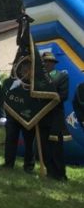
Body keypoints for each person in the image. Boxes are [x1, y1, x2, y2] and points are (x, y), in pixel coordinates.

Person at [39, 52, 70, 180]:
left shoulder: (61, 76)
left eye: (48, 61)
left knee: (56, 147)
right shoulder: (38, 78)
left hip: (55, 117)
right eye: (44, 62)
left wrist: (45, 98)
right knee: (44, 146)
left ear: (53, 63)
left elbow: (63, 96)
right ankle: (50, 172)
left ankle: (60, 174)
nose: (46, 64)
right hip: (41, 117)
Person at [2, 58, 35, 173]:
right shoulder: (8, 82)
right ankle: (8, 164)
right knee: (10, 140)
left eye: (28, 68)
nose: (26, 71)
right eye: (23, 69)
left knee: (29, 142)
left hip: (29, 117)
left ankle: (29, 166)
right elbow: (4, 98)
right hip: (12, 116)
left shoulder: (34, 84)